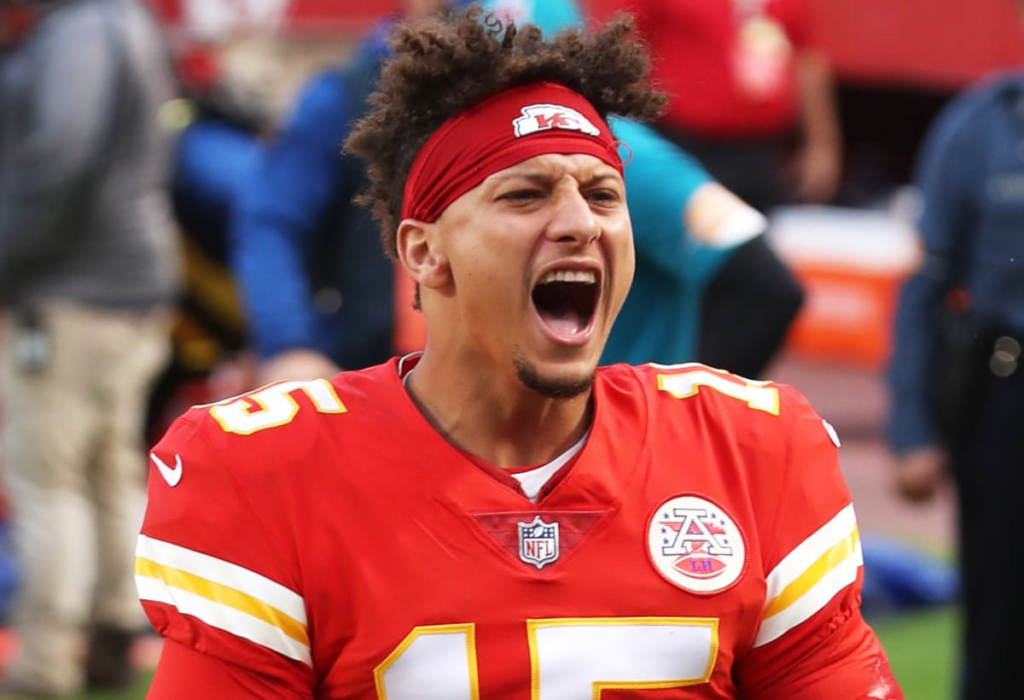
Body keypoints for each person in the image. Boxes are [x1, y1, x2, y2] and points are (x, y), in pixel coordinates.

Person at [136, 7, 901, 696]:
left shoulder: (753, 450)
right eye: (525, 195)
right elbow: (272, 218)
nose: (580, 223)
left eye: (602, 195)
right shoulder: (272, 472)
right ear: (424, 252)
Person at [0, 0, 180, 695]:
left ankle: (45, 661)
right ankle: (116, 633)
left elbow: (60, 155)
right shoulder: (123, 20)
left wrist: (7, 259)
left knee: (49, 479)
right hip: (130, 285)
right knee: (106, 470)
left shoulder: (77, 31)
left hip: (71, 294)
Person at [484, 0, 803, 377]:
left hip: (611, 404)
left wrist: (686, 404)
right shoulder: (476, 152)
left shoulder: (621, 152)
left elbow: (768, 288)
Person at [886, 66, 1024, 698]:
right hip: (1007, 399)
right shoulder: (981, 125)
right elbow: (926, 283)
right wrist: (913, 428)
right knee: (999, 622)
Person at [229, 0, 453, 387]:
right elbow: (273, 221)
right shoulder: (347, 94)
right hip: (371, 365)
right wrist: (289, 345)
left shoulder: (520, 93)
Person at [593, 0, 842, 213]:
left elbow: (807, 61)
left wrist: (822, 145)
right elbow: (626, 46)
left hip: (763, 150)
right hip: (684, 145)